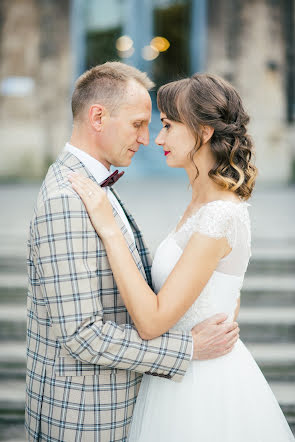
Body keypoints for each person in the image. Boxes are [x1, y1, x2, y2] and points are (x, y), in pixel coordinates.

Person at [69, 73, 295, 441]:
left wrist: (109, 229)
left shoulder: (220, 214)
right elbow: (223, 294)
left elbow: (152, 322)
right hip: (176, 373)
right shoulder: (200, 205)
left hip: (202, 388)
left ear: (204, 132)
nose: (156, 138)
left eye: (168, 126)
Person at [25, 63, 240, 442]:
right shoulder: (67, 199)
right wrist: (186, 347)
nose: (147, 138)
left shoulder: (94, 184)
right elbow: (82, 335)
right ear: (97, 117)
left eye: (159, 125)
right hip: (84, 419)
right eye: (139, 123)